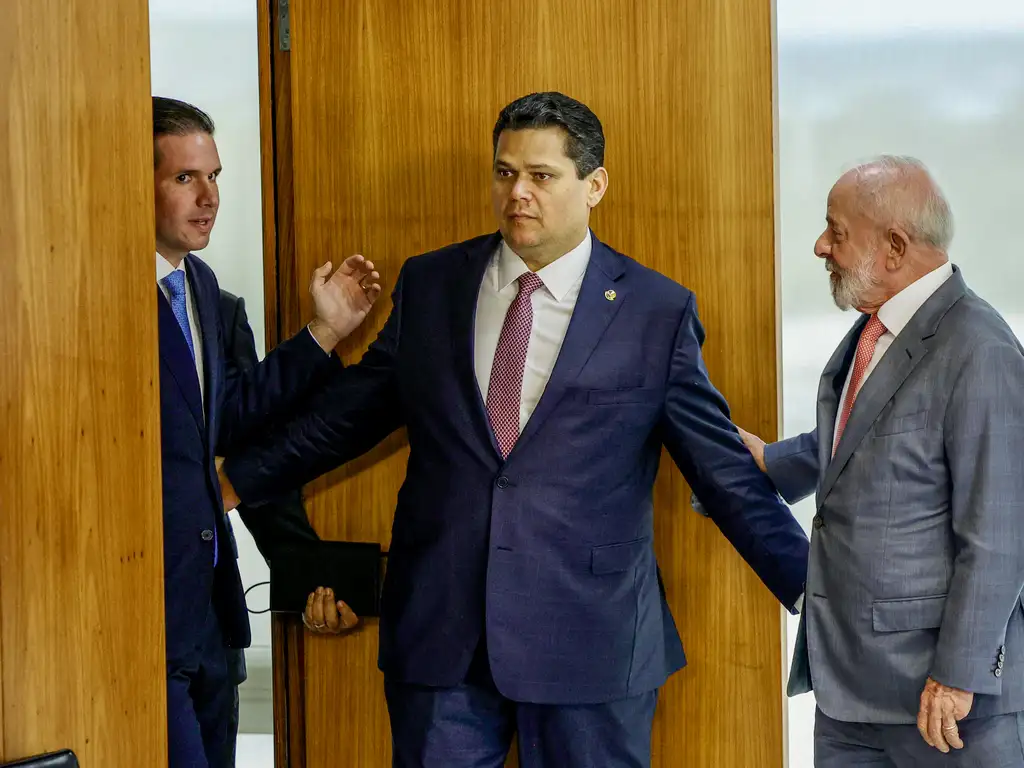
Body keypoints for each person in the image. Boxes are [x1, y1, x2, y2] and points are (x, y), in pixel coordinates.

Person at [219, 92, 808, 767]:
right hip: (443, 638)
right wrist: (234, 483)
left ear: (594, 186)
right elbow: (350, 414)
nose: (517, 193)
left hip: (591, 641)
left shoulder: (655, 311)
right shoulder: (434, 283)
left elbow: (722, 470)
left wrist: (812, 592)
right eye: (504, 173)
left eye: (540, 175)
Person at [737, 156, 1024, 766]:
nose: (821, 246)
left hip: (940, 703)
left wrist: (958, 675)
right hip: (849, 694)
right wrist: (774, 463)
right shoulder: (880, 327)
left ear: (894, 246)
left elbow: (1000, 532)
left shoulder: (981, 348)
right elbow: (874, 435)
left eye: (836, 232)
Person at [152, 96, 379, 768]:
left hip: (211, 619)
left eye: (214, 176)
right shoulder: (89, 294)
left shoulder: (205, 291)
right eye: (186, 178)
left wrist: (326, 332)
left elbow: (233, 416)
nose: (209, 197)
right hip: (142, 616)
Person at [216, 288, 360, 766]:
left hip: (207, 625)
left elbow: (247, 442)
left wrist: (314, 580)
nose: (209, 205)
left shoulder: (220, 308)